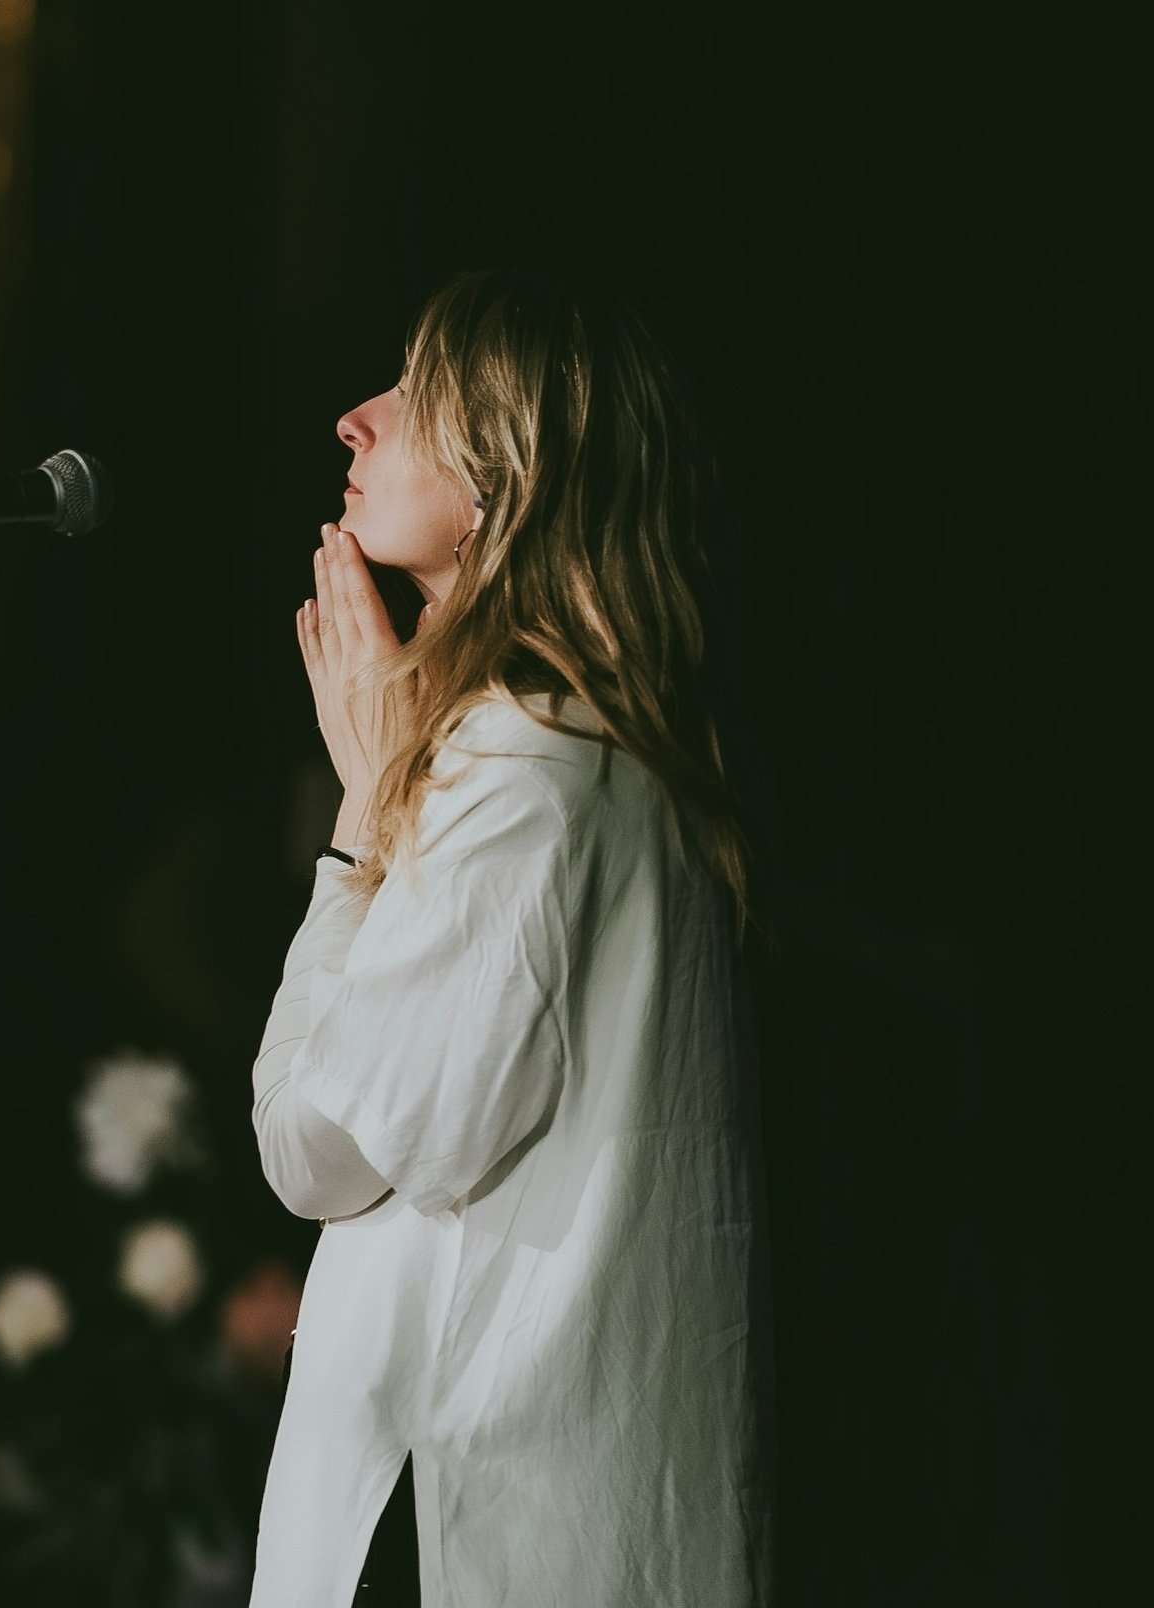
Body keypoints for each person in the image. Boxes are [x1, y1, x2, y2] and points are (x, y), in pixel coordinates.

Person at [249, 268, 775, 1606]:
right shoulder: (615, 755)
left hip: (493, 1518)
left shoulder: (524, 764)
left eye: (414, 395)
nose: (353, 421)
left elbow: (318, 1145)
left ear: (511, 470)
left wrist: (366, 818)